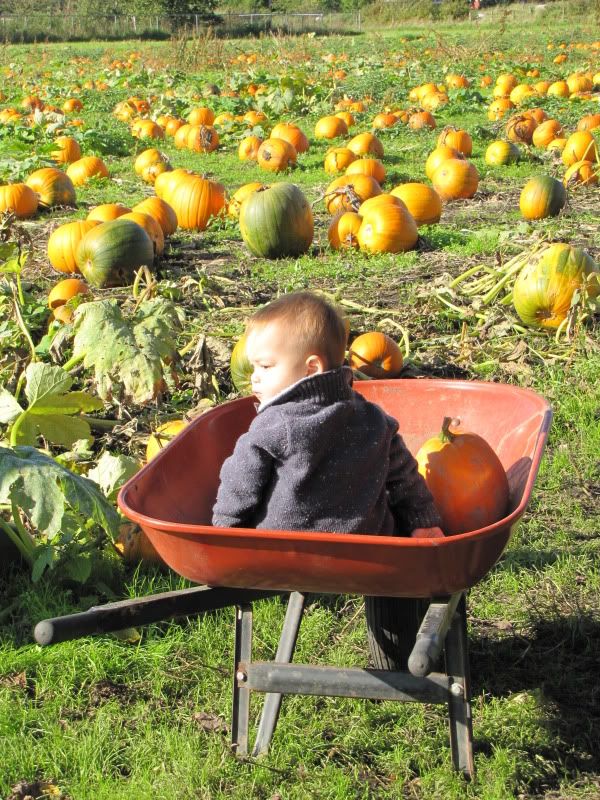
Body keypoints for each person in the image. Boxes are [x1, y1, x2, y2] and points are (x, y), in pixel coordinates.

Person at [212, 292, 444, 539]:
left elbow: (240, 484)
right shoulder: (374, 418)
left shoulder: (274, 425)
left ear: (311, 368)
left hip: (285, 551)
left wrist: (225, 529)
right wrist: (422, 521)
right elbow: (404, 476)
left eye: (265, 366)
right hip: (371, 549)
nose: (254, 377)